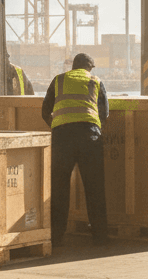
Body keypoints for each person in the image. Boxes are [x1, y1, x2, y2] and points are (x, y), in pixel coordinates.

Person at [41, 53, 109, 246]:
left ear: (73, 67)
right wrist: (95, 129)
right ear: (89, 67)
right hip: (89, 136)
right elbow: (104, 112)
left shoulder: (59, 80)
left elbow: (45, 110)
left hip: (62, 137)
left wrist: (56, 126)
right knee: (95, 187)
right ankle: (100, 236)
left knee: (60, 187)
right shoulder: (95, 81)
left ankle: (56, 236)